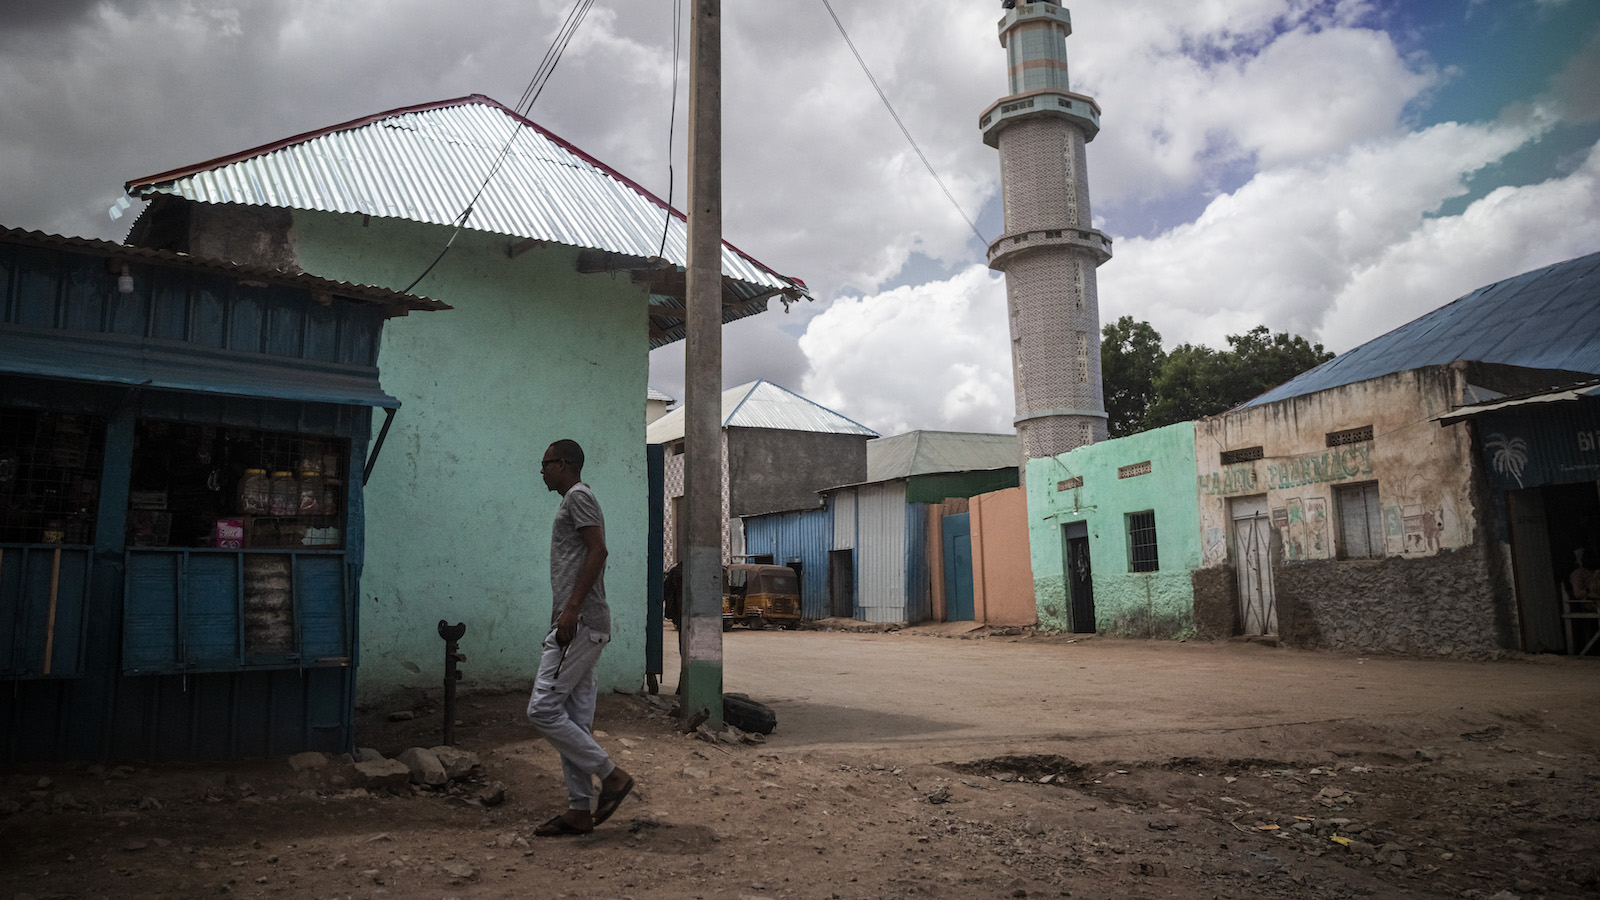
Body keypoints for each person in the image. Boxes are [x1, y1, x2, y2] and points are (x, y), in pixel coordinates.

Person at [527, 438, 634, 837]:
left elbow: (598, 550)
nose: (541, 470)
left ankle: (613, 776)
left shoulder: (578, 497)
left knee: (542, 710)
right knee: (572, 720)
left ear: (565, 464)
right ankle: (578, 809)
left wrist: (571, 609)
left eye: (546, 463)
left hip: (581, 622)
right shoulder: (573, 499)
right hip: (585, 623)